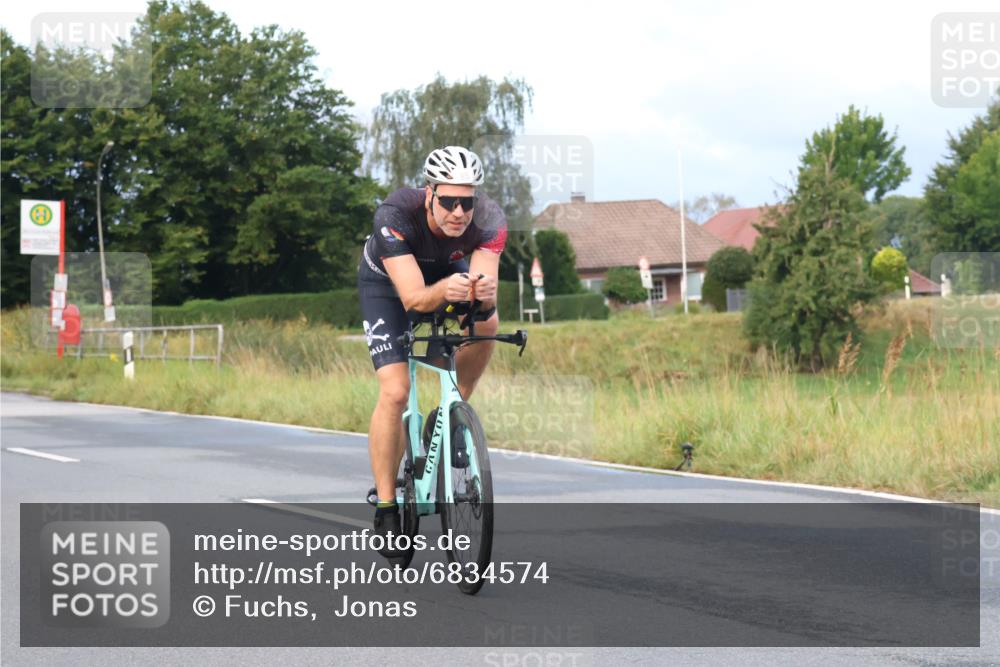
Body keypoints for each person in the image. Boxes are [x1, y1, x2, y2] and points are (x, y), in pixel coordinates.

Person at [357, 146, 507, 556]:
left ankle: (449, 414)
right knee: (395, 391)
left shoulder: (490, 222)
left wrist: (485, 301)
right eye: (448, 202)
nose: (459, 212)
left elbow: (483, 303)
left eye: (467, 203)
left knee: (488, 325)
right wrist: (445, 292)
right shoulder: (394, 216)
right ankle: (387, 507)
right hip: (389, 285)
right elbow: (413, 300)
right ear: (429, 194)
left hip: (445, 275)